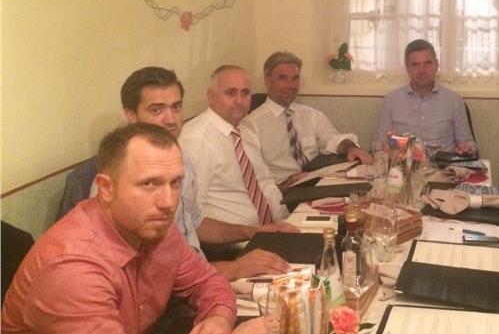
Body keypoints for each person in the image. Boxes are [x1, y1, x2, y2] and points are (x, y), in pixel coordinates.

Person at [1, 124, 279, 334]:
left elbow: (206, 280)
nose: (168, 202)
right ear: (106, 188)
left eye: (175, 183)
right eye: (149, 184)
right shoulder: (73, 265)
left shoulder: (154, 228)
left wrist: (219, 316)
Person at [58, 66, 293, 280]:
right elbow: (146, 275)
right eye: (156, 110)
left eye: (176, 107)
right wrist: (233, 269)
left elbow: (195, 222)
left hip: (199, 275)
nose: (170, 119)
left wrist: (252, 231)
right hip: (169, 293)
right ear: (131, 115)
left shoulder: (183, 160)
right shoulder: (119, 178)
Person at [244, 51, 373, 190]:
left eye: (295, 78)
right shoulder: (251, 124)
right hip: (282, 191)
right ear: (267, 81)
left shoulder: (311, 115)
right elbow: (252, 179)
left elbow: (332, 139)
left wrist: (351, 148)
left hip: (317, 184)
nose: (291, 85)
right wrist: (284, 186)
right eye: (283, 78)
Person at [180, 65, 289, 227]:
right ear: (211, 97)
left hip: (274, 228)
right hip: (237, 239)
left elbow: (265, 183)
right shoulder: (196, 140)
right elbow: (192, 216)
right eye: (231, 93)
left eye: (245, 93)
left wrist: (286, 221)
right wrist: (252, 233)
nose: (239, 101)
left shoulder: (246, 129)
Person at [372, 39, 476, 153]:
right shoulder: (392, 101)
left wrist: (467, 149)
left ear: (436, 65)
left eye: (427, 63)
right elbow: (378, 146)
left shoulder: (454, 100)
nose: (422, 71)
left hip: (444, 163)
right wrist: (387, 149)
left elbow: (469, 144)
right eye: (415, 65)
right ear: (407, 68)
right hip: (405, 162)